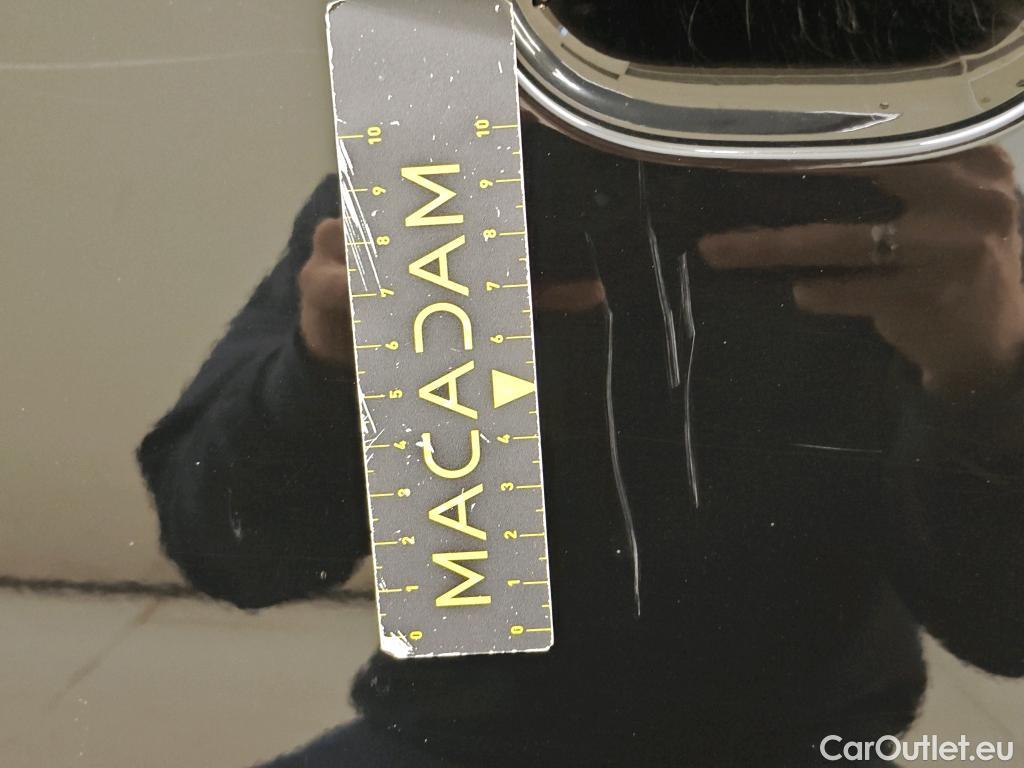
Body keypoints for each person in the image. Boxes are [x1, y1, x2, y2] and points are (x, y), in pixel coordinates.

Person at [138, 2, 1024, 765]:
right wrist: (328, 368)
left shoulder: (942, 229)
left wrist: (985, 373)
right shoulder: (448, 171)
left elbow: (1005, 630)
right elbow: (230, 552)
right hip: (465, 737)